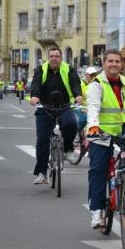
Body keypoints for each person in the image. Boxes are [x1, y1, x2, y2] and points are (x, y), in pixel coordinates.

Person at [86, 49, 125, 228]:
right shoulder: (96, 84)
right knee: (97, 170)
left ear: (122, 64)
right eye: (110, 61)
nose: (114, 64)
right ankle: (97, 213)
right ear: (104, 64)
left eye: (117, 61)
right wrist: (94, 127)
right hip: (102, 132)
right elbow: (93, 108)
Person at [29, 47, 83, 184]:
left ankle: (68, 149)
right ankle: (42, 173)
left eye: (57, 56)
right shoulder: (41, 70)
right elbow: (35, 85)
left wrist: (78, 95)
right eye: (51, 56)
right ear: (48, 58)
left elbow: (75, 83)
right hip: (45, 107)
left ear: (61, 58)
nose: (54, 58)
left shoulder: (68, 69)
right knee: (42, 139)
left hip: (64, 106)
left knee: (71, 124)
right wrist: (34, 96)